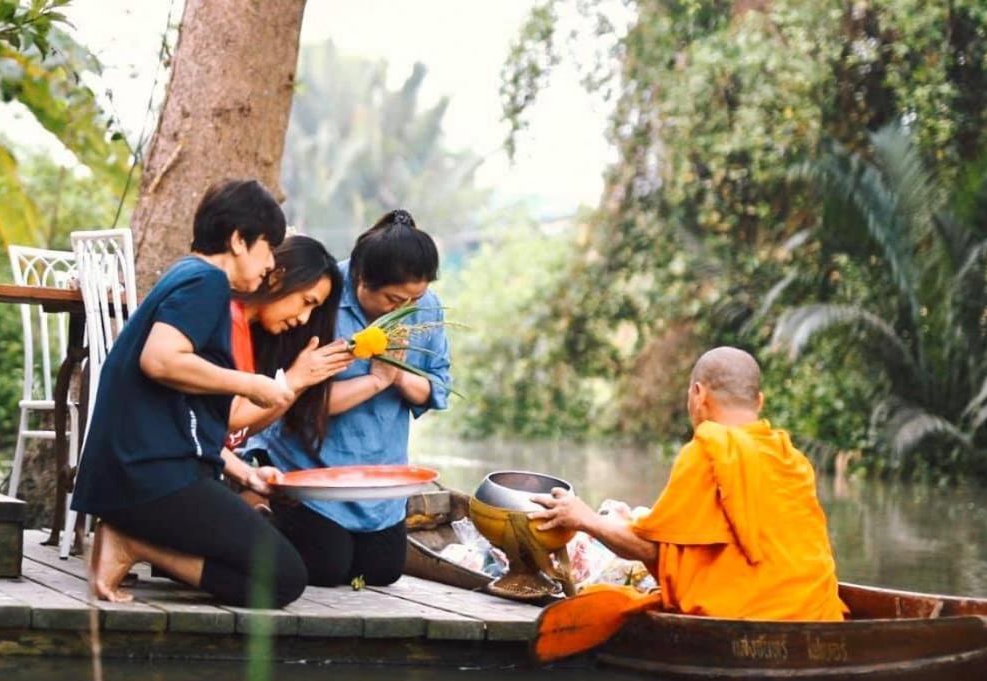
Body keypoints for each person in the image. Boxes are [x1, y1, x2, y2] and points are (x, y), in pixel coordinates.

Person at [73, 179, 308, 607]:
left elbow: (174, 415)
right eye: (268, 247)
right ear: (239, 240)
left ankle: (136, 541)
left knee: (264, 553)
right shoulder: (207, 283)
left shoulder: (186, 275)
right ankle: (134, 544)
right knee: (285, 579)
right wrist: (252, 384)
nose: (271, 263)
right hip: (148, 480)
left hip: (133, 475)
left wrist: (241, 471)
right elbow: (160, 360)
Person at [529, 346, 847, 622]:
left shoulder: (709, 450)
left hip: (747, 616)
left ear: (698, 393)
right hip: (818, 613)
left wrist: (585, 519)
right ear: (759, 401)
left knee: (614, 547)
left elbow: (650, 550)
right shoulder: (793, 458)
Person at [246, 210, 450, 588]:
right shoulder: (322, 296)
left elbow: (436, 388)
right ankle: (261, 511)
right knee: (326, 568)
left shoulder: (425, 308)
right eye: (393, 299)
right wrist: (376, 380)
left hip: (377, 479)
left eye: (414, 299)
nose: (403, 308)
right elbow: (305, 403)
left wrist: (398, 375)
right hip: (311, 469)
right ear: (361, 278)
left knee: (381, 571)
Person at [221, 235, 353, 497]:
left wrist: (300, 382)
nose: (304, 319)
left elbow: (242, 429)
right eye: (307, 302)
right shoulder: (230, 319)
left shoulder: (250, 334)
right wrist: (293, 379)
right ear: (277, 276)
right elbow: (230, 421)